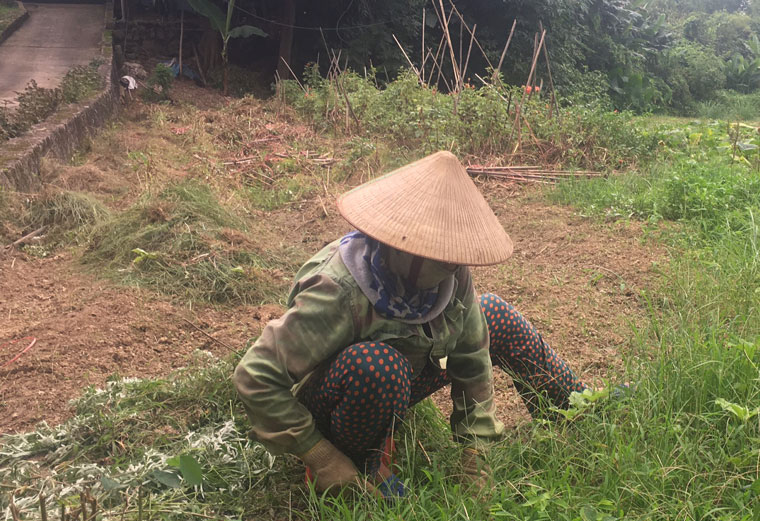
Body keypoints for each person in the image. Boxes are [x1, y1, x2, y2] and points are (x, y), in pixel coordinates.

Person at [233, 151, 588, 499]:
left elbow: (471, 358)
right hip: (337, 395)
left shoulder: (450, 275)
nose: (455, 267)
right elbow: (256, 376)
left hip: (406, 374)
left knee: (492, 313)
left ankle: (574, 407)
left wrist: (476, 453)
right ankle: (362, 461)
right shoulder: (339, 291)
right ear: (403, 249)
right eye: (443, 259)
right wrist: (320, 456)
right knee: (376, 366)